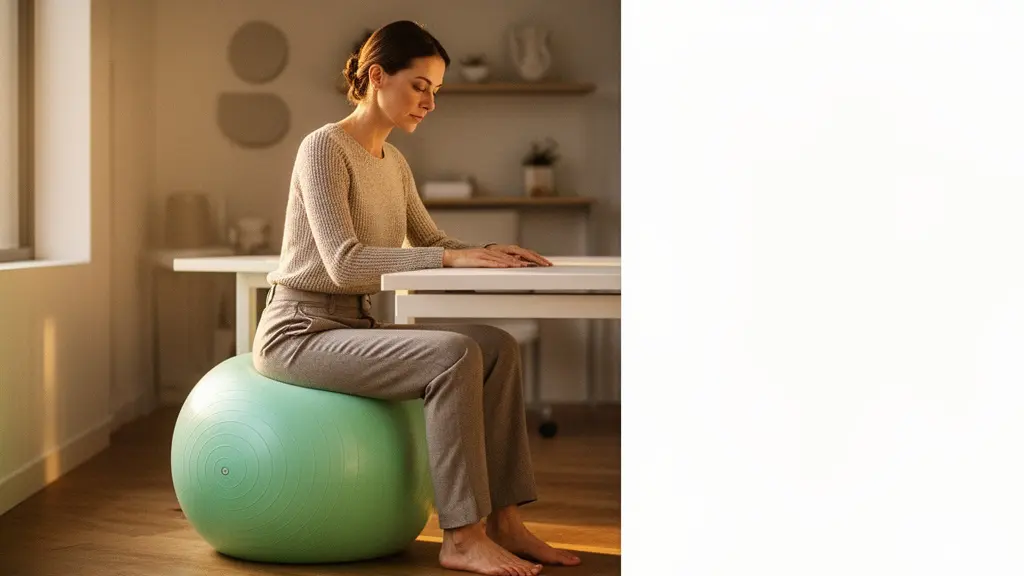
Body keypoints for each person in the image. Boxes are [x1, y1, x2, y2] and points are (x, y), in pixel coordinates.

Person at [251, 20, 582, 576]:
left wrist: (487, 251)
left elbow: (430, 243)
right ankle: (461, 536)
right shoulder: (323, 148)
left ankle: (506, 522)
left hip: (353, 329)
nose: (430, 101)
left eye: (437, 90)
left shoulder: (395, 163)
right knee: (453, 354)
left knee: (496, 346)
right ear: (377, 76)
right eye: (420, 85)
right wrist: (450, 258)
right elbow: (344, 262)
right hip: (299, 333)